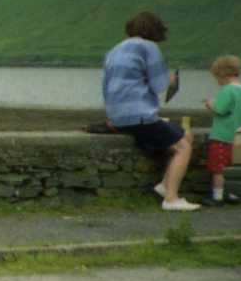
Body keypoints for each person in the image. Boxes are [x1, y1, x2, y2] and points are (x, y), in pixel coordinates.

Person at [101, 11, 198, 210]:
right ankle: (171, 199)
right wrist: (170, 80)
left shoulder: (114, 50)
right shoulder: (148, 47)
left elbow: (106, 84)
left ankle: (165, 185)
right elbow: (159, 85)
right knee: (184, 147)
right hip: (139, 116)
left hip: (117, 116)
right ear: (155, 31)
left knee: (182, 136)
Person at [202, 54, 240, 205]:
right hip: (237, 137)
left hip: (222, 136)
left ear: (223, 74)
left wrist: (210, 103)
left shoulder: (227, 90)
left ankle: (217, 197)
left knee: (218, 168)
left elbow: (221, 110)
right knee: (233, 168)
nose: (217, 82)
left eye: (217, 78)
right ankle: (232, 193)